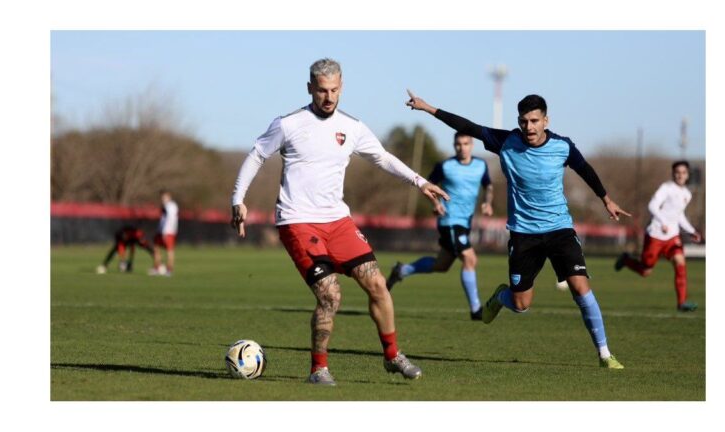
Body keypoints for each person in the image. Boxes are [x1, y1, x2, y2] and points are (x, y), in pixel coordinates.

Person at [230, 58, 449, 385]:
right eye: (321, 90)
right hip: (298, 222)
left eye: (333, 90)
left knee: (377, 284)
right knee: (331, 294)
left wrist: (419, 182)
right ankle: (319, 369)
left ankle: (392, 356)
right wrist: (238, 199)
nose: (328, 97)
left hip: (338, 222)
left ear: (341, 87)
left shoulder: (352, 127)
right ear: (310, 89)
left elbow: (382, 158)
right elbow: (257, 155)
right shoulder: (288, 124)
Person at [406, 91, 630, 369]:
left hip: (560, 229)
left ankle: (605, 354)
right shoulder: (506, 142)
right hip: (524, 235)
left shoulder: (563, 146)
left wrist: (606, 199)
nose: (529, 127)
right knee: (521, 304)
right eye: (524, 121)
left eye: (534, 120)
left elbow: (584, 169)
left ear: (545, 120)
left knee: (580, 287)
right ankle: (502, 297)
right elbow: (467, 127)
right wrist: (428, 108)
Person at [386, 132, 493, 320]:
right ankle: (476, 310)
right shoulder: (445, 166)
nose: (462, 147)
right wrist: (436, 205)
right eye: (458, 144)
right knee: (470, 259)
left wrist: (488, 202)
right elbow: (427, 186)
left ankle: (402, 270)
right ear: (454, 145)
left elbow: (488, 186)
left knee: (441, 265)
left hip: (465, 222)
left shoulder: (480, 165)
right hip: (449, 221)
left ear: (472, 144)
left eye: (466, 143)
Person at [615, 161, 702, 312]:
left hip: (672, 236)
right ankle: (626, 260)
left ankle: (682, 303)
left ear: (688, 175)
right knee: (645, 271)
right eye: (677, 172)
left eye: (683, 172)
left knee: (680, 263)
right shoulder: (666, 188)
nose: (680, 175)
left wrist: (691, 231)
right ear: (673, 173)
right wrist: (662, 222)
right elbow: (652, 205)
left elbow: (679, 215)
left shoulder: (687, 194)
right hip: (655, 234)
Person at [150, 190, 178, 276]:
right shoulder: (165, 206)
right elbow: (163, 219)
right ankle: (157, 268)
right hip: (161, 231)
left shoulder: (172, 206)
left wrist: (165, 231)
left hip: (168, 232)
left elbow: (171, 219)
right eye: (162, 197)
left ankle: (169, 270)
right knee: (156, 248)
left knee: (169, 250)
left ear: (169, 197)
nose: (162, 198)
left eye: (164, 197)